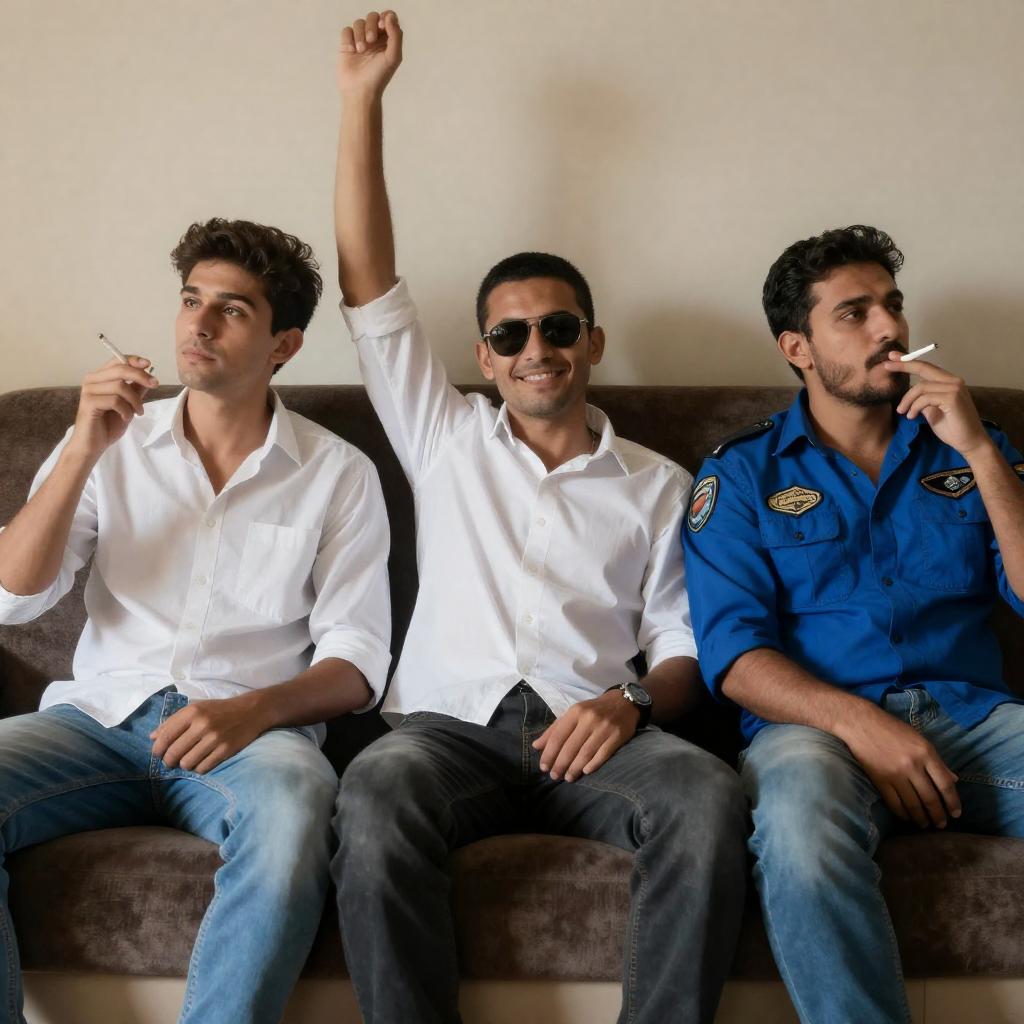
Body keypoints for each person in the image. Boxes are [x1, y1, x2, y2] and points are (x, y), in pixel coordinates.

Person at [330, 12, 747, 1024]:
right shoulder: (443, 437)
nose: (536, 349)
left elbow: (682, 644)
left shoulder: (659, 483)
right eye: (510, 334)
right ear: (484, 357)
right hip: (444, 732)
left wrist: (630, 703)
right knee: (373, 794)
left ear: (591, 340)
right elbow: (368, 286)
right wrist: (361, 100)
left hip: (595, 733)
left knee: (704, 795)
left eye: (557, 327)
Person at [0, 218, 392, 1024]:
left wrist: (253, 710)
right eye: (190, 300)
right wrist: (81, 450)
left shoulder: (338, 473)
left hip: (252, 740)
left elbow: (358, 660)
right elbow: (15, 596)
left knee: (295, 817)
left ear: (284, 345)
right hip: (97, 720)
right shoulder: (110, 442)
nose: (199, 324)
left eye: (232, 309)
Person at [683, 224, 1024, 1024]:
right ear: (797, 348)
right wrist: (860, 724)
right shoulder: (741, 474)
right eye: (856, 312)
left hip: (974, 720)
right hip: (812, 733)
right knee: (799, 827)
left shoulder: (973, 448)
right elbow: (734, 656)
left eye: (893, 305)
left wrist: (978, 449)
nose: (889, 327)